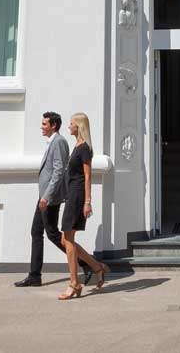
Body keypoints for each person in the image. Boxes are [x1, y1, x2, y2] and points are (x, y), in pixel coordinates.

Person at [15, 111, 70, 288]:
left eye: (44, 124)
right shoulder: (51, 142)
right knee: (36, 232)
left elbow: (58, 171)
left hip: (49, 197)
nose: (41, 127)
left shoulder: (59, 141)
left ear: (53, 125)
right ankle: (34, 275)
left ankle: (84, 263)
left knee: (53, 234)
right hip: (44, 195)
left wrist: (46, 196)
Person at [57, 112, 109, 300]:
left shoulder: (85, 148)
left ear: (79, 126)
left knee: (67, 238)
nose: (69, 126)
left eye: (71, 123)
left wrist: (88, 201)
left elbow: (88, 176)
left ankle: (74, 283)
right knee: (65, 240)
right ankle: (97, 267)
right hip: (72, 194)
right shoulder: (77, 146)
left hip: (78, 196)